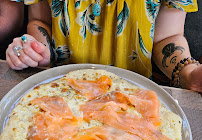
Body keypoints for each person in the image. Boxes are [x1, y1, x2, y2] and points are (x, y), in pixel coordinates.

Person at [6, 0, 202, 92]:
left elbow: (167, 37)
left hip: (134, 97)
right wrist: (37, 49)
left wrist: (188, 72)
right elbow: (40, 21)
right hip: (61, 90)